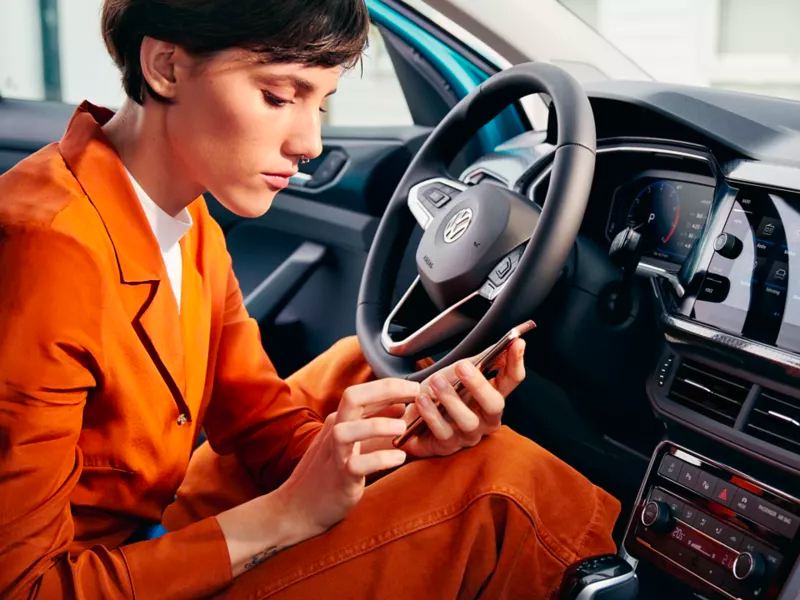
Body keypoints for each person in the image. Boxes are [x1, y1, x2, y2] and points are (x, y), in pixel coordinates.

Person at [0, 1, 621, 598]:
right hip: (88, 574)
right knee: (504, 489)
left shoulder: (183, 221)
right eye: (278, 96)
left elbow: (262, 424)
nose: (309, 143)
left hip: (145, 530)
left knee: (364, 366)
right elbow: (26, 589)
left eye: (320, 103)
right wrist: (285, 518)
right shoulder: (45, 255)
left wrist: (407, 447)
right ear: (166, 67)